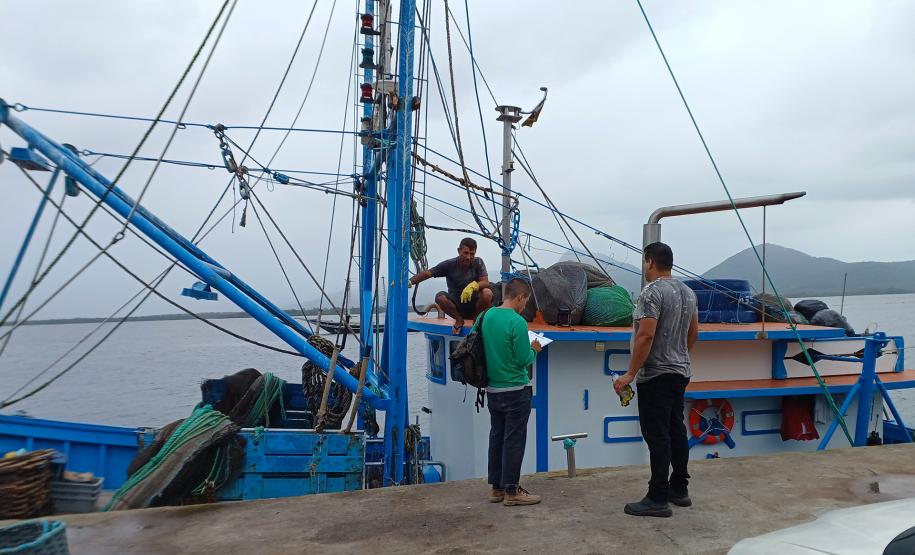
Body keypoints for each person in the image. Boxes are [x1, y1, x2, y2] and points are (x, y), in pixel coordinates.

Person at [613, 242, 699, 518]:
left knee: (657, 435)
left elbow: (646, 335)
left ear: (649, 261)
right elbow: (693, 333)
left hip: (656, 375)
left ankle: (658, 496)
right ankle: (680, 489)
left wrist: (629, 374)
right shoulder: (688, 292)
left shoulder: (651, 292)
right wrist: (680, 355)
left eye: (644, 261)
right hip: (680, 372)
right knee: (676, 430)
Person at [479, 277, 542, 506]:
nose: (525, 305)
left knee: (496, 436)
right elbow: (523, 359)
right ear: (520, 297)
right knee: (514, 439)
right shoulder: (517, 323)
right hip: (516, 390)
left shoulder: (485, 316)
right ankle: (512, 491)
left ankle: (496, 488)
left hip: (492, 389)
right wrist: (535, 348)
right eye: (525, 301)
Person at [409, 237, 493, 334]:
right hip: (456, 305)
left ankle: (476, 321)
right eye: (465, 253)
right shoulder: (449, 264)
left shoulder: (478, 262)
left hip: (475, 305)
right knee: (440, 297)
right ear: (459, 251)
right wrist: (410, 281)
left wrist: (473, 286)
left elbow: (485, 282)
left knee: (487, 293)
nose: (468, 257)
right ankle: (459, 320)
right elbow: (428, 273)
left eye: (472, 254)